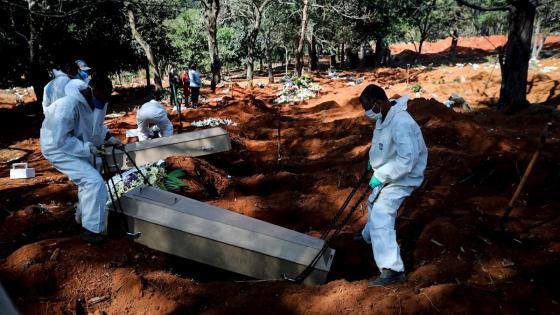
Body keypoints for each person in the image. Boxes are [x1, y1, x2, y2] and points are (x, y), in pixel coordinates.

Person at [356, 84, 427, 286]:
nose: (367, 112)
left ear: (378, 103)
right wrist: (375, 161)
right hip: (389, 170)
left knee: (381, 212)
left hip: (405, 176)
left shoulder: (402, 122)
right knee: (372, 201)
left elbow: (407, 160)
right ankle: (368, 236)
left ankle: (393, 270)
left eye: (368, 107)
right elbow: (383, 144)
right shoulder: (383, 116)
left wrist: (382, 174)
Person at [40, 75, 121, 244]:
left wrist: (108, 137)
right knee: (93, 181)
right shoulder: (68, 105)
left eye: (106, 98)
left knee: (91, 177)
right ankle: (91, 230)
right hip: (56, 147)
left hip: (78, 144)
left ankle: (82, 219)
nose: (102, 103)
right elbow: (60, 139)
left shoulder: (99, 100)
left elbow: (96, 125)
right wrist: (85, 148)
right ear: (90, 90)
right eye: (100, 98)